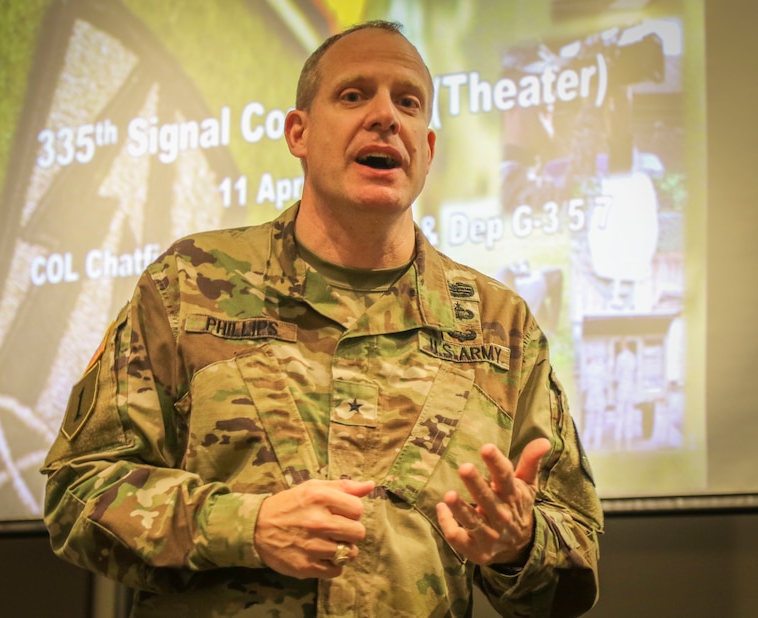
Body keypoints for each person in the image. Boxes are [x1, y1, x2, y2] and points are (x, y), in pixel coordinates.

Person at [42, 20, 603, 617]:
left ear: (428, 149)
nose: (386, 115)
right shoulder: (188, 285)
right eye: (354, 94)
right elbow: (77, 492)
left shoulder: (499, 325)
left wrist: (519, 546)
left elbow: (574, 555)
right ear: (298, 132)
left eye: (408, 102)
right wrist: (246, 525)